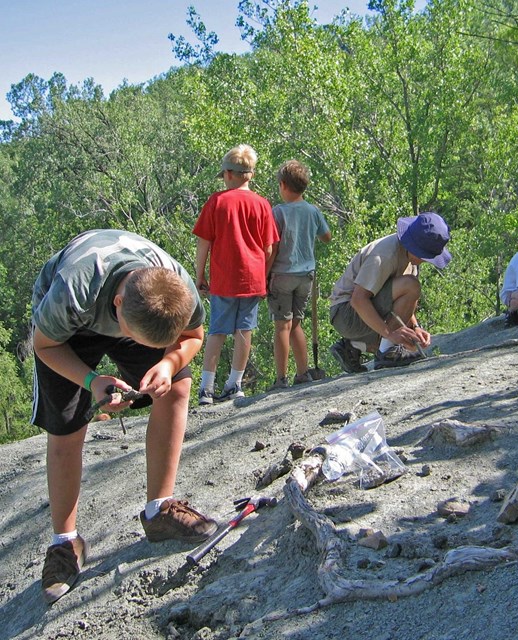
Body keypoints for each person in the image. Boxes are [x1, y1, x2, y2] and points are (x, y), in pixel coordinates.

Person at [32, 229, 217, 604]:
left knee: (178, 386)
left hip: (137, 311)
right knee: (67, 424)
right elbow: (44, 344)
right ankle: (65, 544)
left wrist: (167, 363)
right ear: (117, 305)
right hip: (65, 331)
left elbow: (194, 335)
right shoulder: (74, 289)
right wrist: (91, 380)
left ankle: (159, 510)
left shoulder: (179, 288)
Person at [193, 144, 279, 404]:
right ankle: (235, 384)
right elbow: (269, 248)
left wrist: (199, 276)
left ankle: (206, 388)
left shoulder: (217, 202)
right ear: (250, 175)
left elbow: (204, 243)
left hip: (224, 277)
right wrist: (262, 275)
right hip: (252, 279)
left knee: (217, 331)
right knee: (245, 330)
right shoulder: (262, 205)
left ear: (229, 174)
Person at [328, 212, 451, 372]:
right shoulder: (385, 255)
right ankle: (387, 353)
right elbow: (358, 299)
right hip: (345, 314)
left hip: (357, 314)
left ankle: (351, 348)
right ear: (415, 246)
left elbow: (403, 301)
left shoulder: (408, 253)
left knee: (410, 292)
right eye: (425, 256)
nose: (425, 261)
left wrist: (415, 328)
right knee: (412, 285)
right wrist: (390, 335)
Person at [266, 160, 332, 389]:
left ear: (283, 185)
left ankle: (281, 378)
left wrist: (265, 273)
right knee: (296, 324)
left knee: (281, 326)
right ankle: (303, 372)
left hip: (282, 274)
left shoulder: (278, 212)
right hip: (306, 275)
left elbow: (272, 247)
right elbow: (327, 236)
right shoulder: (313, 211)